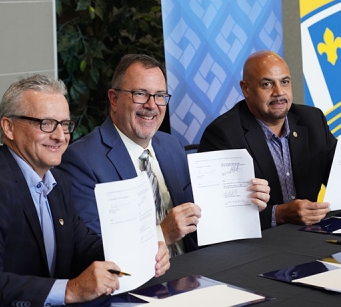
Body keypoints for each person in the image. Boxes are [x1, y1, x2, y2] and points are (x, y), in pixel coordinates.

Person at [0, 74, 169, 307]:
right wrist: (70, 290)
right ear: (8, 127)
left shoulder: (57, 181)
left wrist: (142, 253)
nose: (60, 136)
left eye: (65, 124)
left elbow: (84, 247)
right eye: (46, 124)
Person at [57, 54, 270, 255]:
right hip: (137, 283)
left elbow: (201, 218)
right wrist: (162, 234)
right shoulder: (82, 160)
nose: (152, 105)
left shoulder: (171, 146)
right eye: (140, 94)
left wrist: (243, 204)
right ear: (114, 99)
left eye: (160, 95)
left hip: (194, 269)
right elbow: (95, 249)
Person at [198, 50, 341, 229]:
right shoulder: (222, 134)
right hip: (257, 246)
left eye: (285, 82)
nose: (279, 93)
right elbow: (217, 216)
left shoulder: (311, 120)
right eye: (267, 84)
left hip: (312, 237)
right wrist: (279, 214)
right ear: (246, 89)